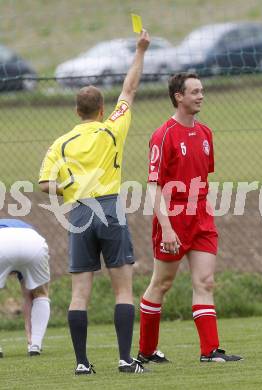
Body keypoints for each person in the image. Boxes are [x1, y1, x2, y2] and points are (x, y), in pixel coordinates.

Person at [39, 30, 150, 374]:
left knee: (79, 293)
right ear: (102, 109)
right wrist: (140, 50)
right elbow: (129, 90)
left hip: (80, 212)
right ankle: (124, 359)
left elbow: (44, 183)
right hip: (110, 206)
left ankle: (83, 364)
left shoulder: (62, 143)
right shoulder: (111, 128)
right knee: (123, 290)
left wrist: (69, 187)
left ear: (76, 110)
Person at [137, 73, 242, 364]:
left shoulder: (206, 133)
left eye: (202, 91)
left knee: (205, 281)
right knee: (162, 283)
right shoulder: (163, 135)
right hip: (173, 217)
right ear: (178, 97)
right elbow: (154, 186)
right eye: (194, 92)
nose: (200, 96)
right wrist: (168, 229)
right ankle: (146, 351)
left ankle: (210, 351)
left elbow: (201, 177)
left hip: (202, 215)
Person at [0, 218, 50, 358]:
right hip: (33, 243)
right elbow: (28, 295)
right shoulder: (25, 227)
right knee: (40, 293)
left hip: (2, 242)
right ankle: (35, 344)